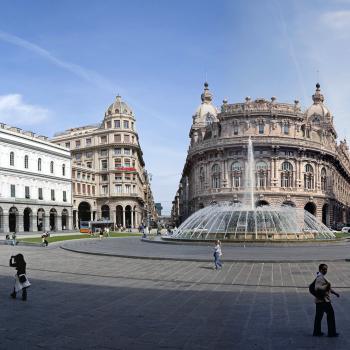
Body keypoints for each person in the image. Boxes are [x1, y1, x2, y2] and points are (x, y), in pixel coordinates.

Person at [313, 263, 340, 337]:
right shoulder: (320, 278)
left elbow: (328, 288)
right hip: (324, 301)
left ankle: (317, 332)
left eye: (326, 269)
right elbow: (317, 288)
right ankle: (331, 333)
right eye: (324, 269)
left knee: (318, 317)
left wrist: (335, 293)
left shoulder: (320, 277)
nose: (325, 270)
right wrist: (326, 285)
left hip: (319, 301)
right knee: (331, 315)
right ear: (320, 270)